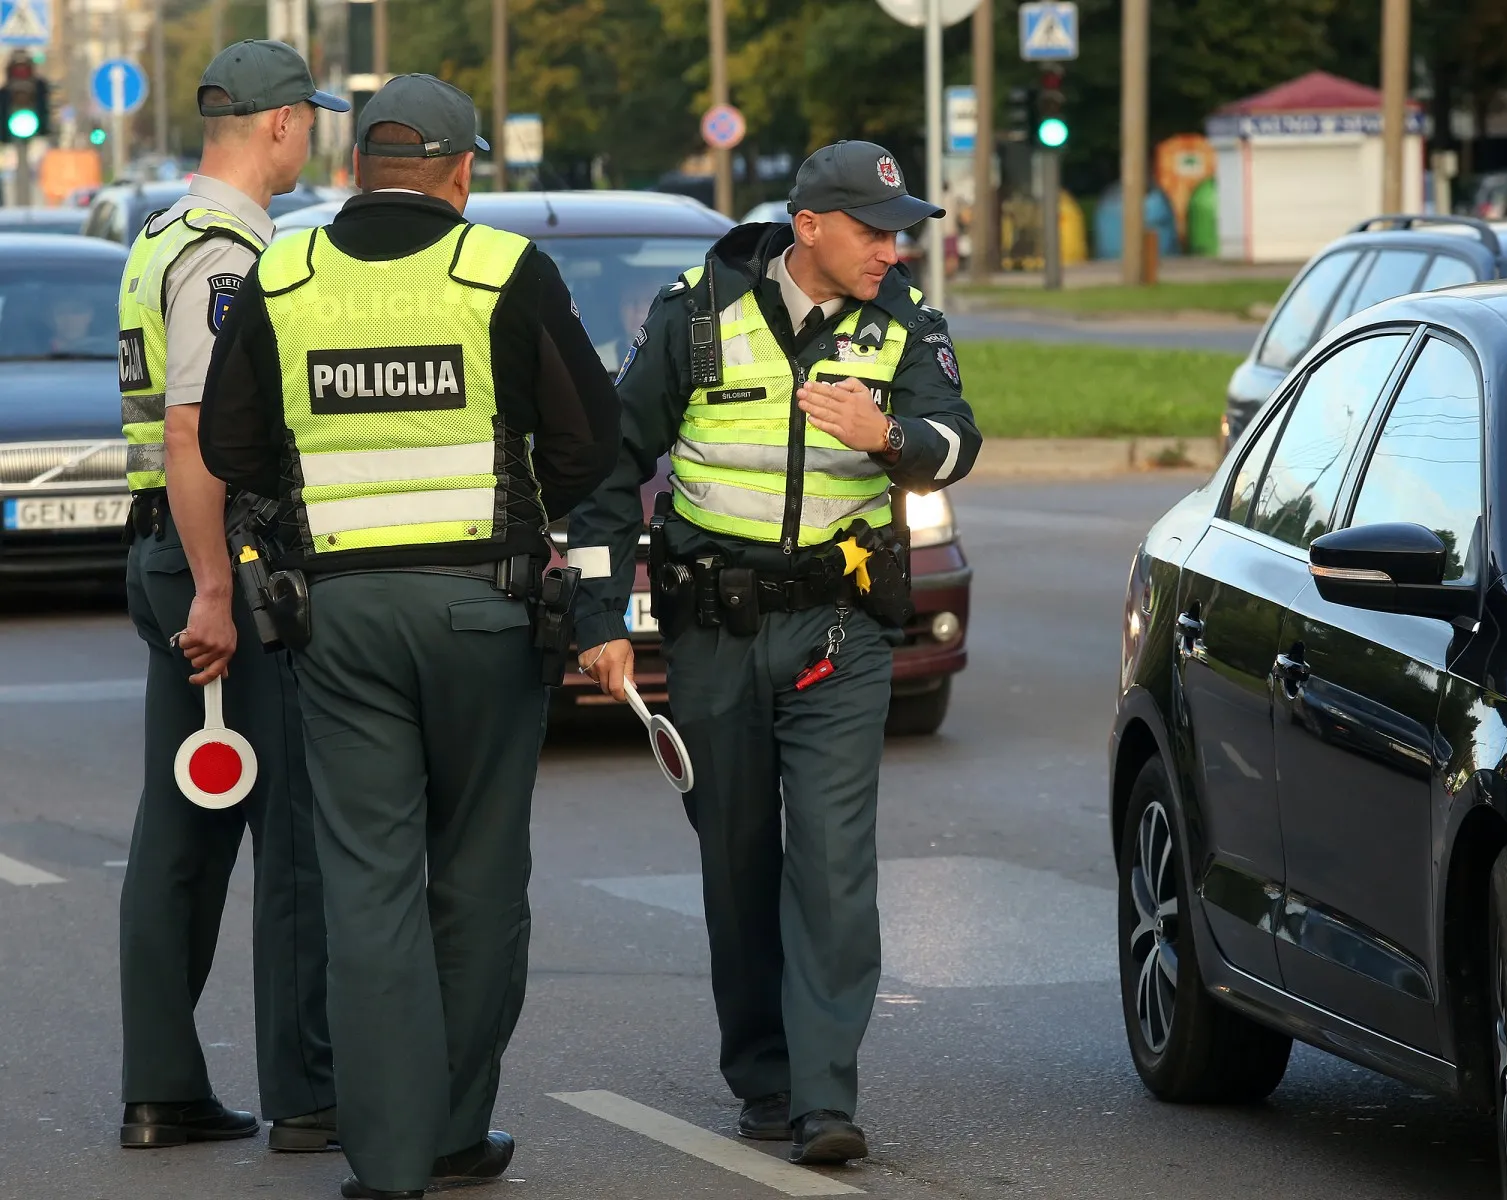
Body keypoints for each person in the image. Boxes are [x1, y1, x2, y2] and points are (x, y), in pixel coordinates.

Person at [198, 73, 620, 1200]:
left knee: (368, 884)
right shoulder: (503, 270)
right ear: (463, 171)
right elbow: (590, 444)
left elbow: (233, 448)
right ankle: (451, 1136)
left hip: (338, 621)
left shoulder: (284, 273)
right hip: (485, 615)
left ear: (356, 168)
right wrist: (520, 502)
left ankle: (385, 1162)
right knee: (477, 879)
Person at [568, 139, 981, 1165]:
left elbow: (958, 443)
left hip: (839, 630)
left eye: (900, 233)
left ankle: (823, 1096)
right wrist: (598, 615)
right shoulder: (697, 315)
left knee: (834, 865)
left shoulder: (907, 324)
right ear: (809, 228)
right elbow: (611, 465)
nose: (892, 250)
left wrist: (888, 436)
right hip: (713, 632)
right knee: (738, 858)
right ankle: (764, 1076)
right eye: (874, 232)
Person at [115, 38, 344, 1155]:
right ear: (284, 123)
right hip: (224, 560)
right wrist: (217, 587)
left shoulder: (161, 229)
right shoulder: (227, 254)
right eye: (313, 120)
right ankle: (309, 1094)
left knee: (186, 827)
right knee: (289, 831)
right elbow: (193, 430)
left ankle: (162, 1087)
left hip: (169, 549)